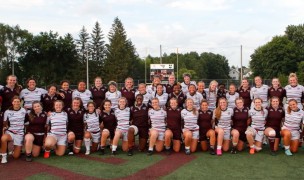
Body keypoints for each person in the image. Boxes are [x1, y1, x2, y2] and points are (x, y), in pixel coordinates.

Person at [1, 96, 27, 164]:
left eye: (18, 101)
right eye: (15, 101)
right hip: (11, 132)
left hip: (19, 133)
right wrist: (5, 127)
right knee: (3, 138)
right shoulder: (7, 111)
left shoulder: (24, 110)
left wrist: (26, 132)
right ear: (12, 102)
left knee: (16, 156)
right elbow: (5, 122)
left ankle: (13, 151)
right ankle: (4, 156)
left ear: (20, 102)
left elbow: (26, 122)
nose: (16, 103)